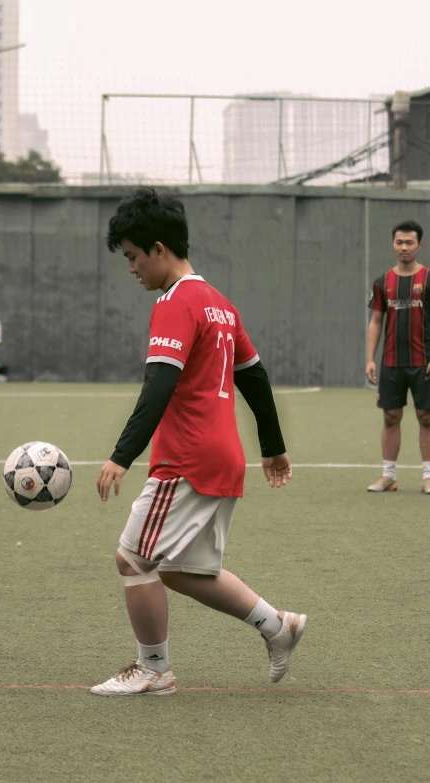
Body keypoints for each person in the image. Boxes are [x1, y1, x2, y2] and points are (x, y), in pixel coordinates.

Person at [91, 187, 306, 697]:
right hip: (222, 457)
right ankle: (277, 626)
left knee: (133, 559)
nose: (132, 268)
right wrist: (272, 445)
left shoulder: (177, 301)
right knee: (180, 570)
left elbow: (160, 383)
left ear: (159, 249)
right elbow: (254, 376)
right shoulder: (219, 303)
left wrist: (122, 455)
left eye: (134, 256)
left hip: (186, 459)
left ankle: (153, 669)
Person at [366, 219, 430, 493]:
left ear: (419, 245)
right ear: (393, 244)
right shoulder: (383, 281)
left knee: (426, 417)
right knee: (390, 417)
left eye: (409, 243)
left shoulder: (428, 279)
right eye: (399, 242)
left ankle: (428, 476)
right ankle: (388, 476)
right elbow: (376, 320)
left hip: (423, 364)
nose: (404, 247)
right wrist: (370, 358)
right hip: (391, 363)